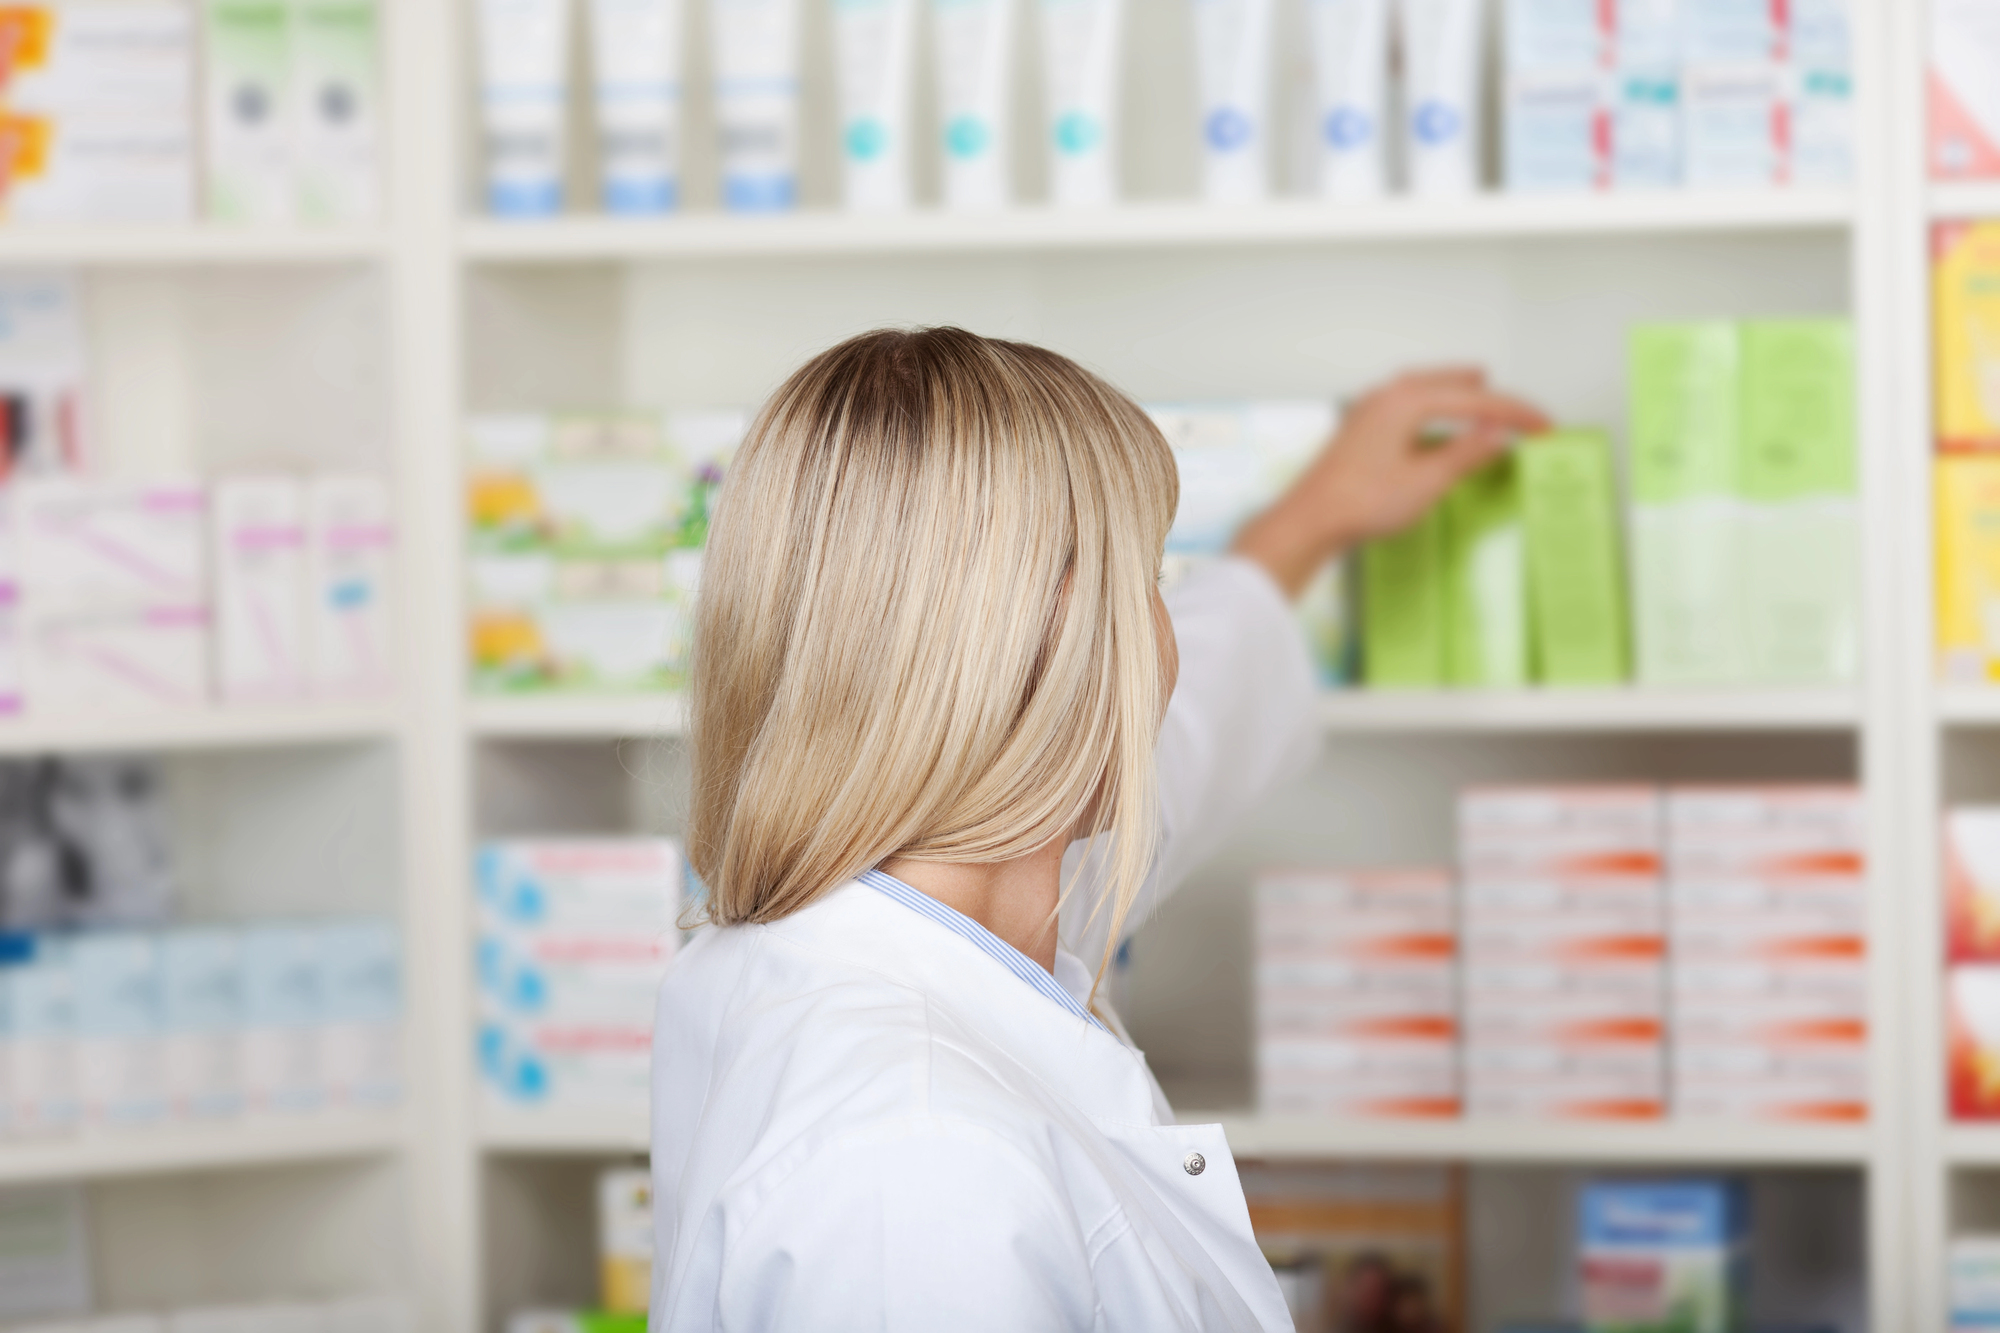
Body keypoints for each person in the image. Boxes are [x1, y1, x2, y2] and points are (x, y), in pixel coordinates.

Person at [649, 328, 1546, 1331]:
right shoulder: (919, 1166)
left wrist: (1311, 522)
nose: (1162, 643)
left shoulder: (891, 934)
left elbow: (1183, 738)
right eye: (1151, 580)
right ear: (1043, 641)